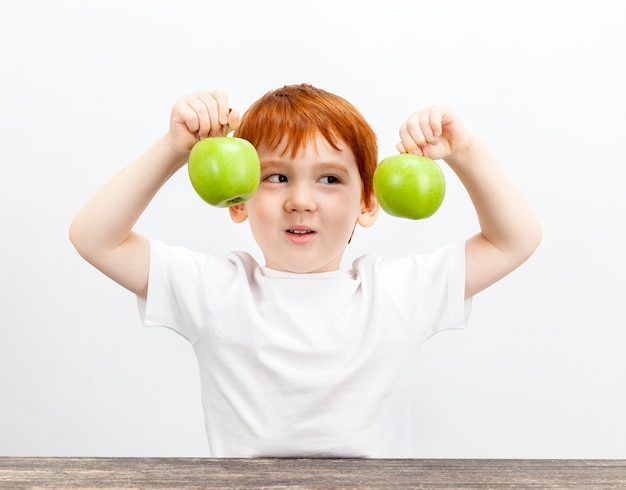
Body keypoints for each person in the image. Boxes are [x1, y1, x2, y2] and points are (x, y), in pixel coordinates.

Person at [69, 84, 541, 457]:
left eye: (330, 178)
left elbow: (514, 239)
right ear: (240, 200)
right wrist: (175, 148)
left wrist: (466, 151)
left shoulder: (395, 292)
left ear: (368, 202)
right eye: (276, 177)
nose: (300, 201)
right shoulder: (216, 291)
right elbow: (95, 237)